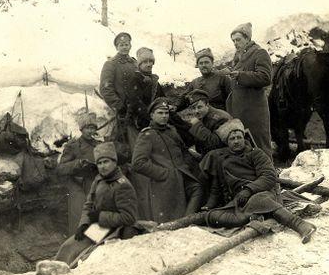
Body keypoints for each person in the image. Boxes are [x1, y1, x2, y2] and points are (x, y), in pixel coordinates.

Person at [188, 119, 316, 244]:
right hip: (239, 201)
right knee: (211, 216)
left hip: (263, 192)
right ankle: (253, 217)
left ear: (244, 138)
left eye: (239, 137)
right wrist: (209, 205)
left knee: (259, 200)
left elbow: (269, 176)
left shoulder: (256, 154)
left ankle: (302, 226)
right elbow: (217, 187)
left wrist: (248, 190)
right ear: (227, 142)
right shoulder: (222, 159)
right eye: (232, 139)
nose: (236, 141)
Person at [55, 142, 138, 266]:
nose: (102, 166)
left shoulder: (123, 185)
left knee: (84, 257)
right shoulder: (99, 179)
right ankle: (53, 273)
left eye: (106, 162)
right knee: (68, 247)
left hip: (117, 230)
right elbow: (88, 205)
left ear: (114, 162)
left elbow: (129, 218)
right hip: (99, 227)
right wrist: (83, 224)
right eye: (99, 163)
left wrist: (100, 216)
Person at [132, 97, 200, 223]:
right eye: (160, 113)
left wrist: (188, 164)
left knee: (198, 188)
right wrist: (164, 174)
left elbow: (183, 150)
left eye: (166, 113)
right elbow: (138, 163)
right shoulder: (147, 135)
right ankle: (184, 223)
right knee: (169, 220)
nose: (164, 116)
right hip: (164, 182)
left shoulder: (171, 130)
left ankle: (186, 222)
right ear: (152, 115)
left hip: (181, 174)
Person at [226, 22, 273, 158]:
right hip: (239, 111)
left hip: (254, 111)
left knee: (260, 143)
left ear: (247, 38)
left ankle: (269, 174)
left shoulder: (260, 53)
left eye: (238, 39)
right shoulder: (238, 57)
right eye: (233, 40)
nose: (235, 43)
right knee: (245, 145)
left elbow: (265, 77)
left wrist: (240, 75)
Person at [57, 112, 100, 236]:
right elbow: (61, 168)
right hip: (77, 185)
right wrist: (78, 164)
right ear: (81, 129)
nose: (90, 131)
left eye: (93, 128)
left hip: (94, 183)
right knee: (80, 215)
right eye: (87, 128)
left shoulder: (99, 145)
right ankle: (76, 246)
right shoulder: (73, 145)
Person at [99, 32, 138, 142]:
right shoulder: (110, 64)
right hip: (123, 110)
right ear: (117, 47)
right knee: (125, 140)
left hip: (137, 107)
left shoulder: (135, 63)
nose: (124, 47)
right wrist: (119, 106)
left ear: (130, 46)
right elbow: (106, 88)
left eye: (126, 44)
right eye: (121, 45)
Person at [125, 47, 165, 149]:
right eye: (145, 62)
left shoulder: (154, 80)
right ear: (139, 65)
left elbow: (162, 98)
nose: (149, 64)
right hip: (138, 120)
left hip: (153, 118)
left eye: (151, 61)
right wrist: (151, 116)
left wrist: (167, 106)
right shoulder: (134, 79)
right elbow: (135, 102)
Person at [186, 89, 232, 155]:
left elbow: (217, 144)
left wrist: (197, 126)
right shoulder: (203, 116)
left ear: (207, 104)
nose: (196, 111)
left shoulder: (220, 118)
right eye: (193, 108)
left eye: (199, 107)